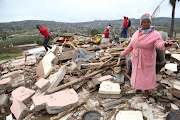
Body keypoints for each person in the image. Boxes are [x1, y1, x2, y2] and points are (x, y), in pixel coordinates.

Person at [119, 13, 177, 100]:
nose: (146, 24)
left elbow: (159, 44)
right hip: (136, 58)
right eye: (144, 22)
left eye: (148, 22)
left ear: (150, 23)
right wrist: (123, 53)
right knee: (137, 74)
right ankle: (138, 88)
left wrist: (165, 44)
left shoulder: (155, 34)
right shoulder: (136, 33)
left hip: (147, 58)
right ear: (141, 23)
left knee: (147, 76)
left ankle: (146, 91)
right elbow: (131, 46)